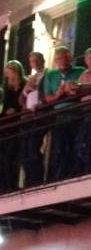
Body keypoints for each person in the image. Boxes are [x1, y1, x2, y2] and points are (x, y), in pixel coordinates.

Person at [42, 46, 85, 180]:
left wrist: (74, 89)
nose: (63, 60)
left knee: (77, 144)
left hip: (77, 111)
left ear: (70, 58)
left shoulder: (80, 71)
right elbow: (47, 97)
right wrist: (58, 95)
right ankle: (58, 176)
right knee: (60, 146)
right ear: (55, 60)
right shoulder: (50, 75)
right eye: (60, 58)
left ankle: (75, 174)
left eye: (66, 57)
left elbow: (85, 88)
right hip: (60, 114)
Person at [20, 52, 47, 187]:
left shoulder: (47, 74)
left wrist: (40, 102)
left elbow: (46, 93)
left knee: (33, 147)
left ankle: (36, 179)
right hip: (28, 117)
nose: (34, 63)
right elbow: (21, 100)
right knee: (25, 149)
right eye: (32, 61)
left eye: (36, 60)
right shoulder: (31, 77)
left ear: (42, 60)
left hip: (39, 116)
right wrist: (26, 90)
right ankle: (28, 179)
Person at [0, 60, 27, 191]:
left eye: (8, 71)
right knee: (5, 156)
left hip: (19, 122)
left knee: (14, 155)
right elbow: (4, 106)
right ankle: (5, 185)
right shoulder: (7, 88)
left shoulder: (24, 84)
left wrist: (16, 109)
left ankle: (11, 184)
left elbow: (25, 101)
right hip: (8, 124)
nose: (7, 75)